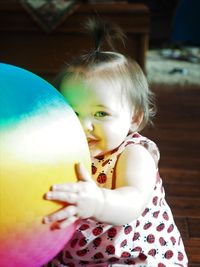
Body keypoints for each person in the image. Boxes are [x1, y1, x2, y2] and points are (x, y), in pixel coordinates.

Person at [43, 19, 188, 267]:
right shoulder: (64, 147)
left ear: (134, 118)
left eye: (100, 114)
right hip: (77, 257)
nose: (83, 125)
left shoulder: (134, 154)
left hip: (133, 256)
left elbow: (131, 202)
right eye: (73, 112)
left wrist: (98, 202)